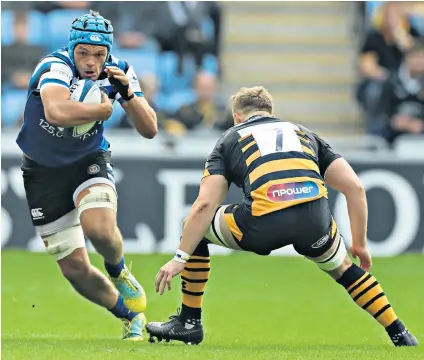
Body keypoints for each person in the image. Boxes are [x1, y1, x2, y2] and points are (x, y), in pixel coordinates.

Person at [146, 86, 417, 347]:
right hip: (314, 220)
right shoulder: (304, 133)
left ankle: (189, 323)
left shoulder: (231, 137)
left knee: (196, 227)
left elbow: (205, 204)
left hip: (263, 223)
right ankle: (400, 332)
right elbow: (354, 187)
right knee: (344, 269)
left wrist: (180, 257)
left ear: (237, 117)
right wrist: (359, 243)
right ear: (271, 112)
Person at [16, 10, 157, 340]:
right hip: (42, 173)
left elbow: (150, 129)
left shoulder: (118, 70)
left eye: (98, 54)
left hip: (88, 160)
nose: (91, 62)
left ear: (108, 52)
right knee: (75, 269)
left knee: (100, 231)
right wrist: (102, 109)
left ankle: (119, 270)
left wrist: (129, 94)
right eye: (83, 52)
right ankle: (128, 316)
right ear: (71, 48)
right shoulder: (54, 67)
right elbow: (56, 111)